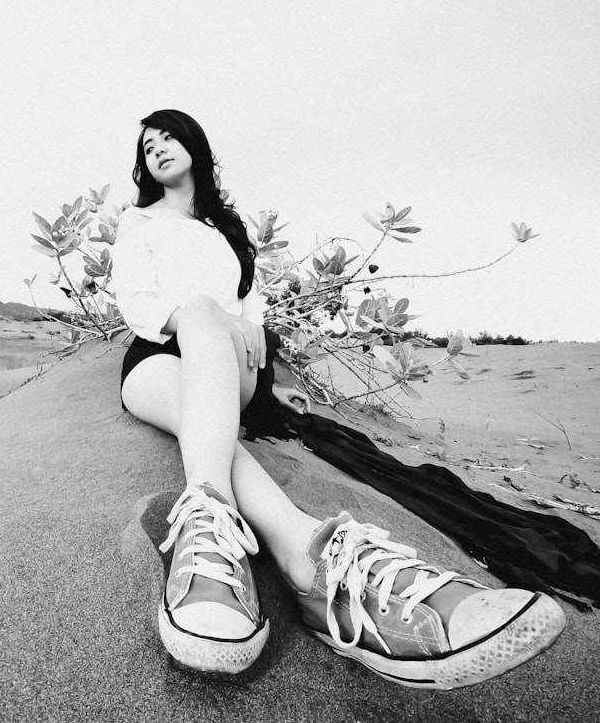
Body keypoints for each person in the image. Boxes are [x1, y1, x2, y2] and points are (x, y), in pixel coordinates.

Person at [112, 109, 565, 689]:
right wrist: (204, 316)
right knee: (200, 349)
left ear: (196, 146)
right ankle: (303, 551)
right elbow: (138, 299)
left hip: (234, 368)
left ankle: (218, 543)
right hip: (157, 358)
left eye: (169, 136)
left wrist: (246, 336)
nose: (158, 148)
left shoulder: (228, 232)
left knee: (210, 363)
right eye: (148, 145)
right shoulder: (139, 222)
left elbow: (251, 314)